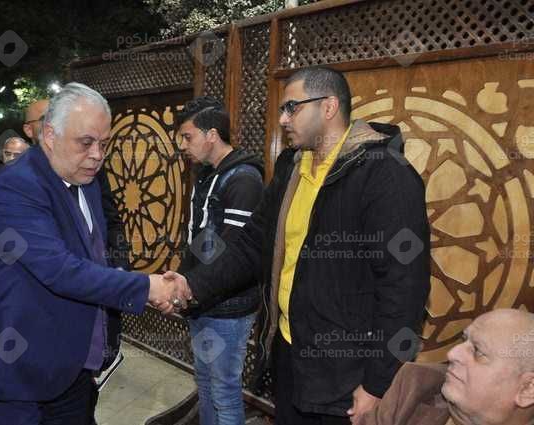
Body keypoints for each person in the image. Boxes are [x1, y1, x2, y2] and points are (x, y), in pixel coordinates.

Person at [165, 65, 431, 424]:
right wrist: (191, 285)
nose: (283, 119)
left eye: (292, 108)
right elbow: (251, 244)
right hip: (290, 356)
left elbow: (405, 289)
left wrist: (377, 383)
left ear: (329, 106)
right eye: (282, 110)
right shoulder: (292, 166)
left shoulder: (385, 174)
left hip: (347, 375)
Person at [0, 82, 188, 425]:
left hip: (74, 369)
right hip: (20, 372)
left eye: (104, 144)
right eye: (86, 142)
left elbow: (93, 258)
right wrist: (147, 287)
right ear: (50, 135)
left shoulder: (88, 181)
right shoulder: (16, 184)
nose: (97, 154)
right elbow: (59, 269)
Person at [175, 96, 264, 425]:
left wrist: (188, 287)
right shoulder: (208, 175)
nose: (183, 146)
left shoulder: (243, 179)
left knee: (224, 391)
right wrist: (183, 279)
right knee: (205, 383)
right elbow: (205, 241)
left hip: (228, 306)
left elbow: (234, 254)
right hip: (202, 299)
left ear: (211, 134)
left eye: (188, 137)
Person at [356, 309, 534, 425]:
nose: (453, 354)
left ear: (527, 389)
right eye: (464, 340)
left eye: (478, 352)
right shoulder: (417, 384)